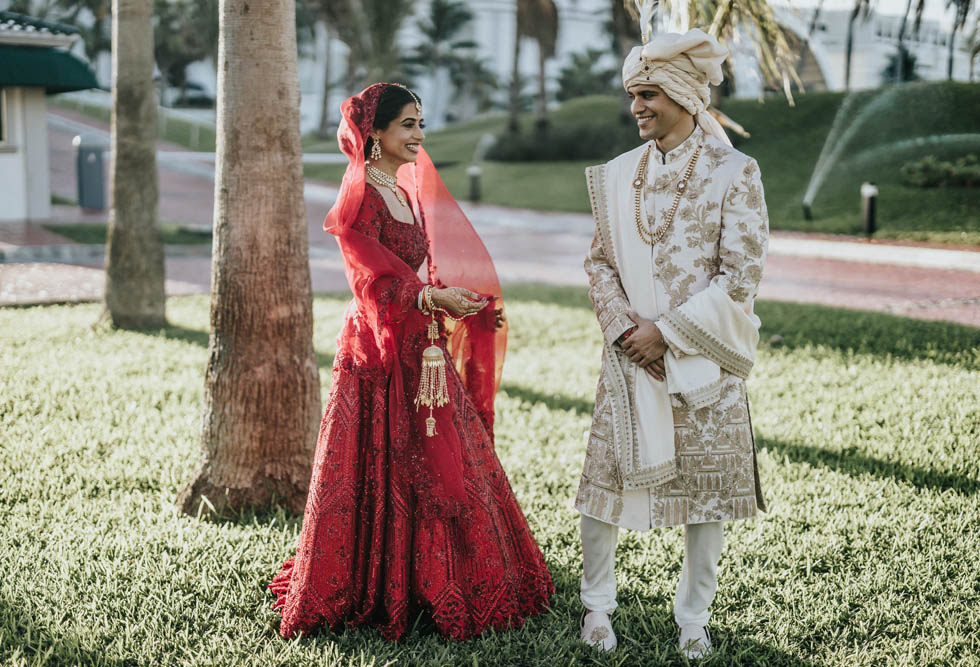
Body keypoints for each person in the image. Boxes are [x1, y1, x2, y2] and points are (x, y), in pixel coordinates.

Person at [269, 83, 553, 642]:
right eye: (409, 125)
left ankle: (448, 577)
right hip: (376, 352)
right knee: (387, 458)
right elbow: (369, 285)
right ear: (374, 133)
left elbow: (415, 274)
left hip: (421, 346)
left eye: (421, 123)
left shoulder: (402, 190)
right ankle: (379, 585)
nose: (419, 135)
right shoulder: (359, 200)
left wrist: (464, 307)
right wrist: (428, 299)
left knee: (447, 455)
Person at [574, 29, 769, 659]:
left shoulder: (734, 172)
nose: (637, 106)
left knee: (704, 498)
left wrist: (670, 334)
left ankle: (694, 619)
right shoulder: (616, 176)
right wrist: (628, 331)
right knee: (603, 489)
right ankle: (596, 609)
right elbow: (600, 262)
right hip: (629, 354)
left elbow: (740, 276)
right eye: (633, 94)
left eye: (649, 93)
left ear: (685, 95)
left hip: (701, 359)